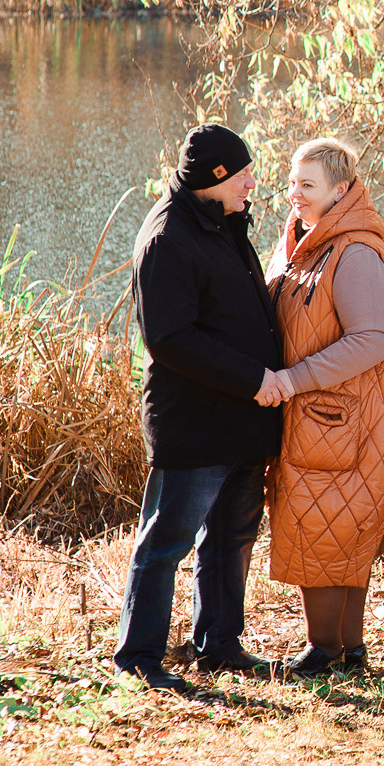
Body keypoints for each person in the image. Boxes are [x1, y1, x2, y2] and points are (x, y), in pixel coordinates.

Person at [263, 138, 384, 677]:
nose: (294, 193)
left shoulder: (354, 252)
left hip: (342, 419)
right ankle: (344, 650)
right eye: (292, 182)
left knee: (326, 529)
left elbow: (375, 338)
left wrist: (295, 380)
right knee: (330, 527)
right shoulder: (305, 242)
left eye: (307, 185)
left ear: (341, 190)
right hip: (317, 416)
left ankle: (327, 650)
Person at [115, 123, 283, 693]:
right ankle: (138, 658)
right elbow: (170, 338)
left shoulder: (223, 221)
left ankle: (220, 646)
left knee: (232, 536)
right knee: (167, 540)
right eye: (241, 175)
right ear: (213, 178)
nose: (251, 184)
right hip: (195, 421)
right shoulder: (169, 238)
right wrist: (253, 376)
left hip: (242, 416)